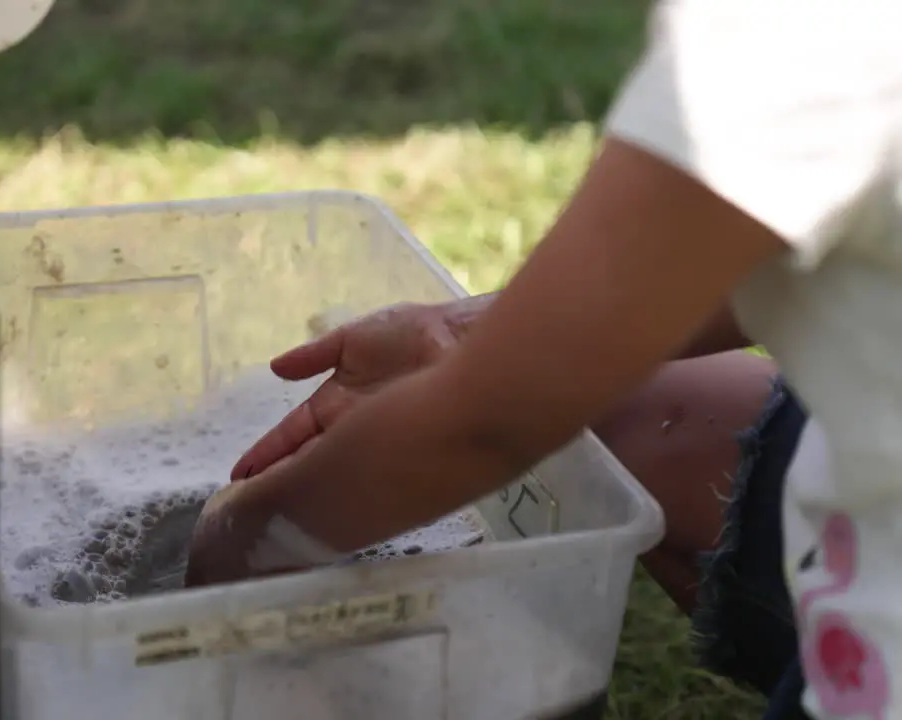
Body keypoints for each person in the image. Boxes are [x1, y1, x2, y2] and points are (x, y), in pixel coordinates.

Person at [183, 2, 902, 718]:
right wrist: (469, 338)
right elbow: (769, 243)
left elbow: (488, 426)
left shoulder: (811, 38)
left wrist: (238, 545)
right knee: (620, 417)